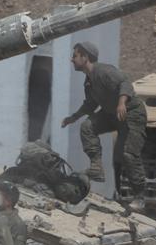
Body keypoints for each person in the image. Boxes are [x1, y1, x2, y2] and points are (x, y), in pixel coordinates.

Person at [59, 41, 147, 204]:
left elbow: (124, 83)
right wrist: (73, 117)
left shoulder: (104, 71)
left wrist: (121, 103)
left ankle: (139, 197)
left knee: (128, 154)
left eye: (75, 56)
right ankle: (96, 167)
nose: (72, 60)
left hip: (132, 113)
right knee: (87, 127)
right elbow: (90, 104)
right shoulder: (89, 82)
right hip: (111, 114)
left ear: (85, 57)